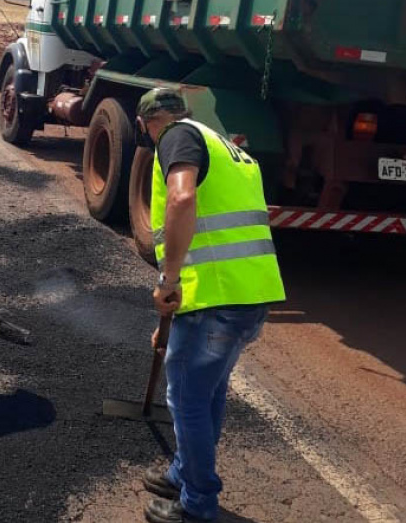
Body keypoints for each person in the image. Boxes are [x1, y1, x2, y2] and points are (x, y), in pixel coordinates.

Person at [135, 88, 286, 523]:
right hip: (247, 295)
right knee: (208, 393)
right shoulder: (225, 146)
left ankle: (198, 502)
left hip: (216, 299)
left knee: (186, 399)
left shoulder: (176, 138)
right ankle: (183, 473)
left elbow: (182, 198)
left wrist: (169, 279)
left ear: (149, 123)